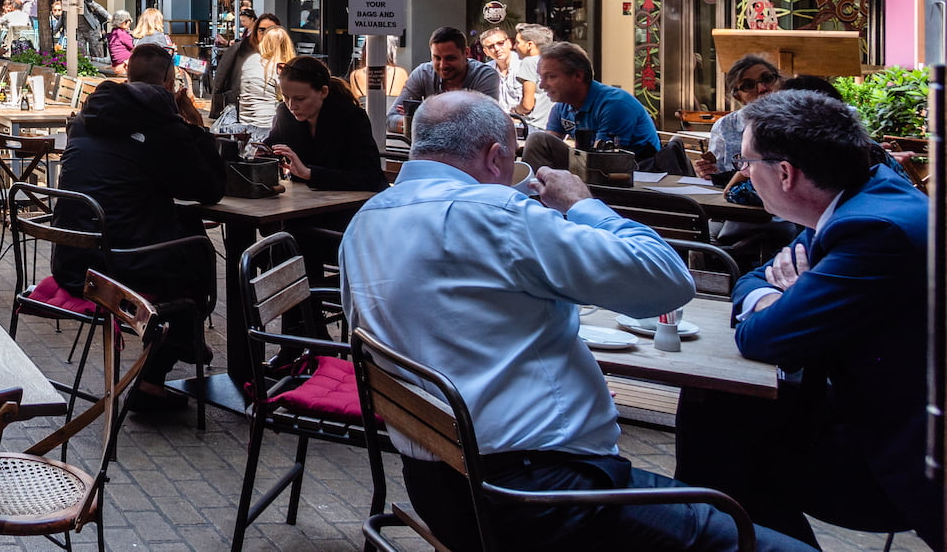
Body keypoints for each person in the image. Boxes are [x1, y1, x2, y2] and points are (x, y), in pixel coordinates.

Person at [340, 92, 812, 552]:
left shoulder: (365, 222)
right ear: (494, 157)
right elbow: (668, 280)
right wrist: (582, 204)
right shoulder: (493, 212)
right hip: (539, 497)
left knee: (732, 486)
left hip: (438, 488)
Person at [681, 90, 938, 551]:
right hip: (868, 415)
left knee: (718, 436)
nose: (742, 173)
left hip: (904, 457)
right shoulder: (857, 197)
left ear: (785, 173)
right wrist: (771, 297)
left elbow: (764, 337)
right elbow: (758, 277)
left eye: (746, 161)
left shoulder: (873, 230)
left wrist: (772, 309)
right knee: (720, 417)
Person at [51, 42, 226, 411]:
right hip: (119, 264)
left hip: (72, 259)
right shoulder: (161, 123)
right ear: (170, 82)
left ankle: (179, 341)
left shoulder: (86, 118)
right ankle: (156, 373)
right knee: (197, 249)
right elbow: (207, 188)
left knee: (183, 233)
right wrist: (192, 126)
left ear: (127, 76)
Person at [522, 41, 660, 168]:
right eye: (541, 77)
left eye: (551, 77)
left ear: (578, 76)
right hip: (594, 167)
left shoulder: (614, 104)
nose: (542, 85)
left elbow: (603, 159)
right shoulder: (561, 107)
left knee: (537, 139)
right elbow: (546, 145)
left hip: (636, 173)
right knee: (538, 141)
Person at [264, 55, 387, 192]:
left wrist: (309, 173)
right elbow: (268, 149)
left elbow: (370, 178)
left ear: (323, 92)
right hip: (306, 204)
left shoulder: (351, 117)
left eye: (300, 98)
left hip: (350, 206)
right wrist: (258, 156)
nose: (292, 106)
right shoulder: (285, 114)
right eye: (286, 97)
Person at [387, 27, 500, 131]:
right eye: (437, 58)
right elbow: (390, 120)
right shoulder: (423, 73)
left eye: (450, 58)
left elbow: (484, 125)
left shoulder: (485, 76)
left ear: (466, 53)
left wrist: (421, 116)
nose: (443, 65)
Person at [697, 54, 782, 182]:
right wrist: (708, 171)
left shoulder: (799, 122)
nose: (762, 88)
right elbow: (718, 171)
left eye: (767, 78)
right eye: (748, 85)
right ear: (738, 97)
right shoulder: (725, 126)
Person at [482, 26, 548, 132]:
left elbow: (532, 103)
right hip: (498, 125)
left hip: (528, 125)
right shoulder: (485, 71)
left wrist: (517, 114)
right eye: (491, 46)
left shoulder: (525, 63)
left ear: (509, 43)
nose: (497, 49)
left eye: (500, 43)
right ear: (486, 52)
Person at [234, 24, 293, 137]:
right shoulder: (280, 68)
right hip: (268, 125)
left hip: (245, 122)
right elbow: (286, 98)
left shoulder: (250, 60)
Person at [207, 10, 261, 122]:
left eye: (244, 21)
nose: (242, 23)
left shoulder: (254, 34)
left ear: (252, 19)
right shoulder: (247, 32)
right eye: (241, 21)